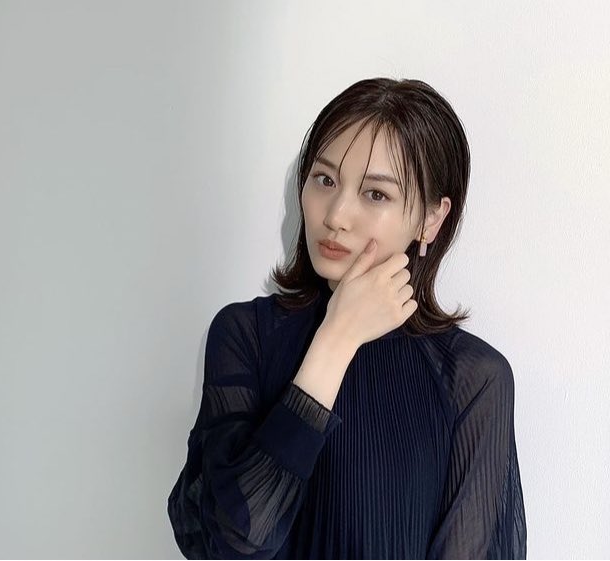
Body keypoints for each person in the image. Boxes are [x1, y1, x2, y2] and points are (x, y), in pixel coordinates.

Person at [167, 77, 527, 559]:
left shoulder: (473, 379)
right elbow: (234, 544)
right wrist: (335, 341)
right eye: (325, 180)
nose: (336, 215)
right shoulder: (244, 335)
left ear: (431, 219)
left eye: (376, 194)